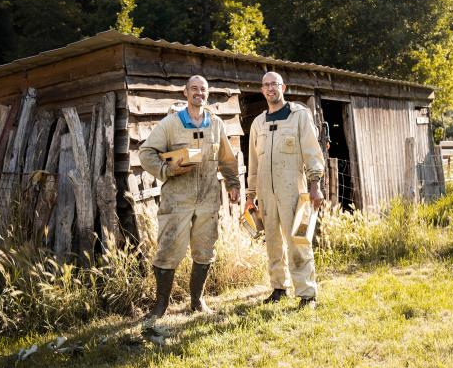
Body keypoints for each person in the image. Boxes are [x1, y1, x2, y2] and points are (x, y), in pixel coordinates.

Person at [139, 75, 240, 323]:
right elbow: (146, 152)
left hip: (208, 198)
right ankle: (160, 306)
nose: (199, 93)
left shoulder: (215, 124)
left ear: (207, 94)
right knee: (168, 249)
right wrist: (165, 171)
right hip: (177, 199)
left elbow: (226, 158)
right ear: (185, 92)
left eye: (203, 90)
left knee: (205, 250)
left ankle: (197, 301)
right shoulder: (171, 124)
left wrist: (233, 183)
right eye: (194, 89)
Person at [247, 71, 325, 309]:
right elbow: (253, 162)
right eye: (266, 85)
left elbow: (312, 153)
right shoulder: (258, 123)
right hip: (266, 193)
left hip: (294, 190)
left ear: (284, 87)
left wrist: (315, 185)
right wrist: (251, 196)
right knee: (272, 242)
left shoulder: (299, 116)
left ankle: (307, 294)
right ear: (262, 90)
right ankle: (279, 288)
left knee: (298, 241)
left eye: (275, 84)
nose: (271, 88)